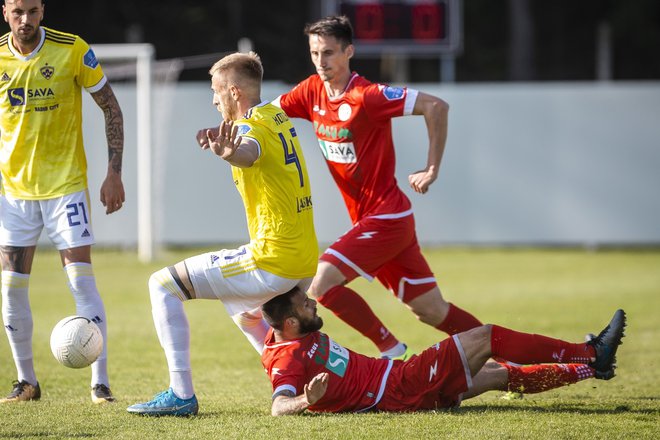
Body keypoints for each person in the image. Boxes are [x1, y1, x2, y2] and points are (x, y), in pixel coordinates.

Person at [272, 15, 482, 359]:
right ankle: (503, 355)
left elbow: (436, 106)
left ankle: (390, 348)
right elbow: (269, 114)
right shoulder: (311, 92)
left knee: (321, 282)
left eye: (329, 53)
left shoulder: (367, 95)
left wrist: (431, 168)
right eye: (314, 53)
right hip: (374, 223)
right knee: (432, 311)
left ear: (348, 51)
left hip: (387, 216)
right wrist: (234, 123)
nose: (321, 62)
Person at [126, 51, 318, 417]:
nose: (214, 100)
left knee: (162, 284)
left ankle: (181, 394)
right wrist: (229, 147)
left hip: (272, 260)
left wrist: (231, 153)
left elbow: (249, 151)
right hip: (304, 257)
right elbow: (257, 147)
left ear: (233, 92)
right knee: (246, 314)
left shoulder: (249, 127)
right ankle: (294, 385)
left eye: (217, 91)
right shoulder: (276, 115)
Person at [0, 0, 125, 404]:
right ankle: (26, 382)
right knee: (11, 289)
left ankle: (100, 383)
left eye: (33, 11)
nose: (26, 20)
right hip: (14, 195)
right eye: (18, 11)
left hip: (65, 189)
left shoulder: (72, 49)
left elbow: (111, 107)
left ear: (42, 11)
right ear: (5, 11)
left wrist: (113, 172)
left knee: (81, 282)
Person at [261, 287, 626, 415]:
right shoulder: (289, 357)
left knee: (498, 376)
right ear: (291, 323)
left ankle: (591, 370)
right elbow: (279, 407)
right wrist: (307, 400)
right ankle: (590, 353)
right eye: (306, 306)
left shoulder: (286, 332)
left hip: (400, 390)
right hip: (399, 386)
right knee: (486, 337)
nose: (314, 306)